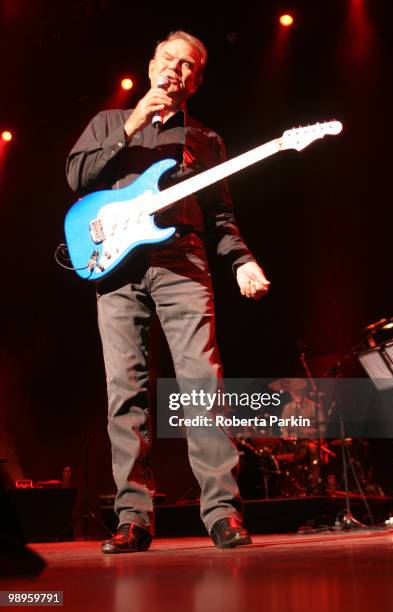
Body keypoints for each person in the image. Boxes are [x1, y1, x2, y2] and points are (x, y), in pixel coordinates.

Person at [66, 31, 270, 553]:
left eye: (188, 65)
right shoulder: (110, 122)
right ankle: (133, 516)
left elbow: (222, 216)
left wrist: (242, 261)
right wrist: (131, 124)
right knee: (125, 391)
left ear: (196, 81)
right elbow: (76, 177)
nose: (176, 69)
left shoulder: (205, 140)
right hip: (114, 267)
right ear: (152, 63)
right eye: (169, 59)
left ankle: (222, 513)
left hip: (182, 258)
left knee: (202, 381)